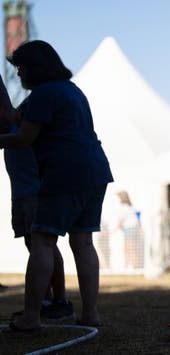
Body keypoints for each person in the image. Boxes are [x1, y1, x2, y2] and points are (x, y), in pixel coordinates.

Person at [1, 40, 113, 331]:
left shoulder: (43, 94)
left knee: (41, 242)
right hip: (96, 171)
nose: (18, 75)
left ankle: (31, 317)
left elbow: (23, 139)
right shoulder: (72, 91)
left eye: (21, 69)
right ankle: (91, 314)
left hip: (64, 173)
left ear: (35, 68)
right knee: (83, 242)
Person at [1, 94, 72, 320]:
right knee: (33, 244)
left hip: (36, 192)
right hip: (20, 194)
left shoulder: (29, 121)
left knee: (46, 244)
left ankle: (60, 300)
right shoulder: (11, 125)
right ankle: (45, 299)